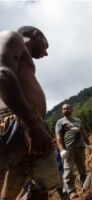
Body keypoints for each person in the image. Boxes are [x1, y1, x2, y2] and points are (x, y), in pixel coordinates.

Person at [0, 26, 61, 200]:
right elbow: (3, 74)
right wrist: (31, 122)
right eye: (45, 46)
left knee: (38, 191)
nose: (46, 53)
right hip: (19, 124)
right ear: (35, 35)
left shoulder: (22, 59)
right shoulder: (10, 37)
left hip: (26, 123)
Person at [55, 104, 92, 199]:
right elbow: (58, 138)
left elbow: (84, 133)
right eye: (64, 109)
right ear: (62, 111)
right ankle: (71, 191)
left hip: (80, 148)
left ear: (72, 109)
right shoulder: (60, 122)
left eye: (68, 108)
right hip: (68, 150)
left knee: (82, 168)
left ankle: (85, 186)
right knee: (68, 171)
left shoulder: (78, 121)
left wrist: (89, 144)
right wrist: (62, 150)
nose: (66, 109)